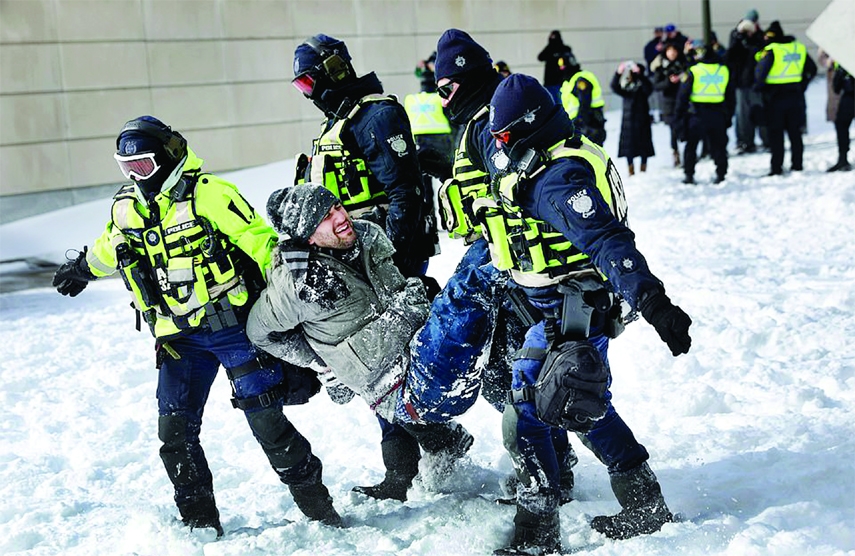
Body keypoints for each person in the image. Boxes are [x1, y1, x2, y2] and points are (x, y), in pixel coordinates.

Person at [51, 116, 341, 536]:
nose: (136, 176)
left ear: (167, 159)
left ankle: (319, 509)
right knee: (175, 434)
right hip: (178, 340)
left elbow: (260, 241)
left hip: (233, 330)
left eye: (144, 167)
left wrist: (295, 277)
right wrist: (81, 269)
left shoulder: (210, 195)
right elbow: (108, 247)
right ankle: (199, 522)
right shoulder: (126, 207)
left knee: (267, 423)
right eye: (127, 168)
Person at [485, 74, 692, 555]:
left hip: (573, 306)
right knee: (579, 404)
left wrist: (654, 303)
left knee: (530, 411)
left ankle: (537, 535)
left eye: (506, 136)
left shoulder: (560, 176)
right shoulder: (557, 148)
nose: (500, 145)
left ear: (531, 126)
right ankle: (644, 501)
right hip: (552, 303)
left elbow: (607, 242)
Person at [291, 34, 458, 502]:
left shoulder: (376, 115)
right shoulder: (340, 123)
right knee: (376, 364)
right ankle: (429, 450)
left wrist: (399, 263)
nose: (309, 93)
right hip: (353, 258)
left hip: (383, 257)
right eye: (300, 87)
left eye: (310, 81)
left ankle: (411, 464)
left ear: (334, 71)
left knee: (384, 361)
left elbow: (403, 192)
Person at [246, 184, 503, 475]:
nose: (341, 217)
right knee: (465, 293)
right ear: (308, 237)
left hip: (419, 345)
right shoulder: (295, 286)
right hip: (407, 388)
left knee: (484, 253)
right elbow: (259, 332)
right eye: (324, 217)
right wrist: (323, 362)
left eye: (338, 207)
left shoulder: (365, 236)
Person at [432, 28, 579, 508]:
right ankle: (551, 468)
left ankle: (550, 476)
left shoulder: (487, 124)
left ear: (465, 78)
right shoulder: (477, 121)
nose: (442, 96)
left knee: (523, 381)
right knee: (507, 379)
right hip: (497, 263)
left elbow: (516, 193)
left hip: (509, 272)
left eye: (445, 86)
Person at [753, 21, 817, 176]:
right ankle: (797, 164)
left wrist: (760, 90)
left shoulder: (771, 50)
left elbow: (760, 76)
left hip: (775, 98)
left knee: (776, 134)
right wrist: (802, 84)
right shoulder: (798, 47)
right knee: (795, 133)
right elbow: (812, 69)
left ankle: (777, 167)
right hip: (795, 96)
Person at [675, 45, 735, 184]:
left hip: (697, 114)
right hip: (717, 114)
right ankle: (721, 173)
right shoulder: (724, 70)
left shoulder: (694, 71)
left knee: (692, 146)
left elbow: (682, 96)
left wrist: (678, 117)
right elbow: (731, 96)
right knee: (719, 146)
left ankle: (689, 174)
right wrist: (728, 116)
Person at [727, 17, 767, 154]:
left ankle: (766, 140)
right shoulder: (737, 43)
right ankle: (745, 141)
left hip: (756, 84)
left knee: (761, 114)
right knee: (743, 116)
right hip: (741, 84)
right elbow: (730, 58)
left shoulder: (759, 41)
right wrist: (737, 41)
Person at [610, 61, 655, 176]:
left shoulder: (643, 84)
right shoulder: (626, 85)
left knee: (644, 144)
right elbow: (614, 87)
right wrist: (618, 73)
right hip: (628, 119)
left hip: (642, 118)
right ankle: (631, 169)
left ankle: (643, 168)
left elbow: (648, 89)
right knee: (628, 145)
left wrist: (640, 74)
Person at [652, 43, 690, 167]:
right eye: (669, 51)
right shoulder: (661, 68)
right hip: (669, 103)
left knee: (685, 127)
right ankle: (676, 153)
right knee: (673, 130)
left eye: (674, 50)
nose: (672, 53)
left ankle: (687, 153)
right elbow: (657, 86)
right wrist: (669, 81)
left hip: (683, 101)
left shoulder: (683, 64)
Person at [559, 59, 607, 146]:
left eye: (563, 66)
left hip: (589, 122)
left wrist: (580, 121)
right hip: (578, 123)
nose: (562, 69)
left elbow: (585, 102)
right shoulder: (568, 82)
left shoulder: (581, 79)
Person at [827, 62, 853, 172]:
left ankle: (843, 159)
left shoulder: (843, 59)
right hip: (849, 99)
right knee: (841, 125)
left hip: (849, 98)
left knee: (842, 127)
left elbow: (836, 86)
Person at [537, 30, 575, 102]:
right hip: (549, 82)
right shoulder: (549, 49)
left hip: (561, 81)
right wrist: (550, 47)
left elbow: (570, 62)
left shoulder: (564, 49)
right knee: (551, 102)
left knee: (561, 102)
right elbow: (540, 57)